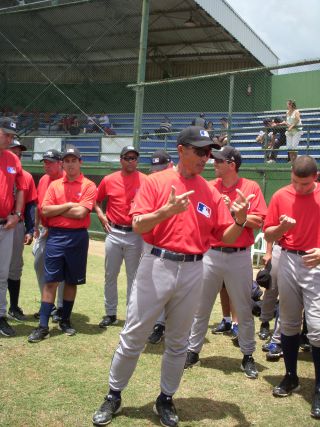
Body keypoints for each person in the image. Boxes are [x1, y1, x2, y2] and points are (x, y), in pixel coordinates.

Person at [92, 126, 252, 427]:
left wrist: (241, 220)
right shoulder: (155, 182)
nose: (206, 157)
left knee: (178, 341)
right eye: (201, 151)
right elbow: (138, 225)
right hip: (158, 263)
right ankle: (114, 394)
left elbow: (226, 236)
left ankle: (166, 397)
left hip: (195, 268)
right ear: (181, 150)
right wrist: (166, 211)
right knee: (134, 335)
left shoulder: (211, 192)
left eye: (210, 153)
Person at [185, 146, 267, 379]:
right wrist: (218, 210)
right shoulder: (209, 187)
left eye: (219, 161)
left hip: (240, 254)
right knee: (201, 306)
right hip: (212, 253)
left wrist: (232, 212)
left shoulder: (250, 187)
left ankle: (248, 355)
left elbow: (258, 220)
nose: (214, 164)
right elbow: (200, 216)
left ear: (232, 164)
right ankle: (192, 350)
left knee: (243, 307)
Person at [264, 155, 320, 419]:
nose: (299, 188)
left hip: (315, 262)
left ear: (315, 178)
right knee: (287, 322)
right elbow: (268, 235)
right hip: (287, 259)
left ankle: (319, 388)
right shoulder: (280, 195)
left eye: (305, 184)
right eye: (295, 182)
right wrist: (281, 227)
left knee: (318, 328)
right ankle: (290, 376)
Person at [28, 147, 96, 343]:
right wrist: (68, 206)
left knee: (72, 281)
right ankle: (43, 326)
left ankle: (65, 319)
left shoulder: (89, 185)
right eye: (67, 161)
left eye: (74, 160)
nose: (71, 164)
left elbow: (81, 213)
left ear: (80, 162)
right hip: (56, 236)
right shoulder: (54, 185)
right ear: (63, 164)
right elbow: (45, 210)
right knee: (50, 281)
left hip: (78, 237)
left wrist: (58, 210)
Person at [95, 146, 146, 328]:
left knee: (134, 277)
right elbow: (96, 200)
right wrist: (101, 216)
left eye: (134, 158)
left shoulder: (145, 180)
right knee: (111, 275)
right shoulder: (109, 180)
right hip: (114, 232)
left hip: (135, 234)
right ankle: (110, 313)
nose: (131, 161)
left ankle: (131, 315)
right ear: (121, 160)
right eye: (127, 157)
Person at [33, 149, 65, 322]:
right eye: (45, 162)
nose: (46, 165)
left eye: (50, 162)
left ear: (60, 163)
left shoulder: (66, 179)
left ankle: (60, 307)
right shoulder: (44, 179)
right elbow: (39, 205)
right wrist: (36, 226)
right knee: (39, 264)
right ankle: (49, 304)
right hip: (45, 229)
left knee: (62, 271)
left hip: (62, 231)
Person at [0, 117, 25, 337]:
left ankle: (0, 316)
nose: (9, 139)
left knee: (2, 273)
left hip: (5, 225)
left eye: (11, 135)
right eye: (6, 134)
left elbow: (22, 187)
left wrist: (17, 214)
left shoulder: (12, 159)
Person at [7, 139, 37, 321]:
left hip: (17, 226)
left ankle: (13, 306)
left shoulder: (25, 176)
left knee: (15, 268)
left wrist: (30, 229)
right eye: (13, 152)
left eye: (20, 153)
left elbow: (31, 205)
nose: (17, 156)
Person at [147, 149, 174, 344]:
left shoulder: (178, 182)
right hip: (151, 241)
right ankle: (158, 324)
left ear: (170, 165)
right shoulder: (151, 182)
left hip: (172, 243)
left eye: (161, 168)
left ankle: (168, 325)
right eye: (155, 169)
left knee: (172, 289)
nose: (157, 172)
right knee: (155, 287)